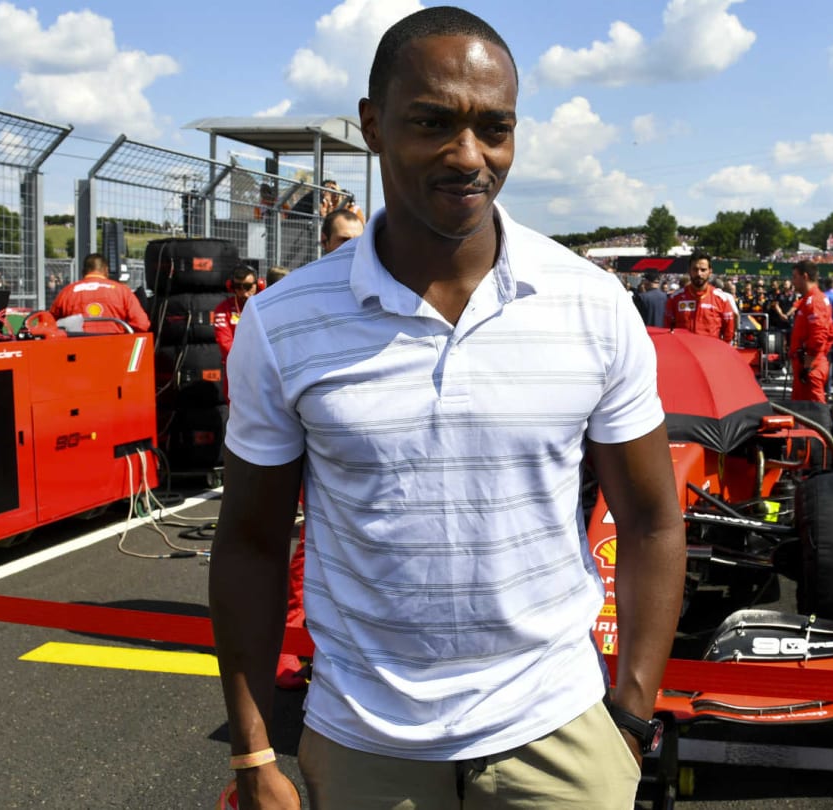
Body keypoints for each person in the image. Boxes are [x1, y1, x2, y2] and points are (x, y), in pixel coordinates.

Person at [209, 8, 685, 809]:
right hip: (366, 743)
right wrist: (254, 754)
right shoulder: (283, 322)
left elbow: (651, 522)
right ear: (373, 126)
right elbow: (251, 545)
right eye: (433, 122)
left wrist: (629, 719)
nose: (470, 156)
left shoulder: (593, 305)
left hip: (559, 733)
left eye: (494, 128)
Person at [48, 253, 150, 332]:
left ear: (83, 272)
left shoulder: (67, 292)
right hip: (116, 349)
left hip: (77, 351)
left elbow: (50, 324)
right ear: (106, 270)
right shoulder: (122, 291)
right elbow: (142, 324)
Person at [788, 261, 833, 403]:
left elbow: (820, 334)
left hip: (810, 364)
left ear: (805, 276)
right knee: (802, 409)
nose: (793, 281)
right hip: (807, 361)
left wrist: (810, 361)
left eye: (795, 277)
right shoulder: (809, 300)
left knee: (815, 410)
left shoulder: (815, 301)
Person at [664, 252, 735, 340]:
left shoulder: (721, 299)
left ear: (710, 272)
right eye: (695, 269)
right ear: (689, 270)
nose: (699, 274)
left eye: (703, 270)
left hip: (711, 351)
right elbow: (667, 329)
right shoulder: (675, 298)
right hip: (684, 351)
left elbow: (729, 332)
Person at [213, 264, 258, 365]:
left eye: (247, 286)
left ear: (259, 285)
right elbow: (225, 342)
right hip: (236, 368)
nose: (243, 292)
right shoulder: (223, 310)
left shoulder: (266, 305)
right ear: (231, 287)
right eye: (238, 287)